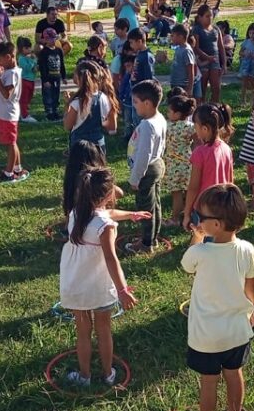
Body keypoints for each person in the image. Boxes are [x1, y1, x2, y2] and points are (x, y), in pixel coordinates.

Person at [60, 167, 146, 387]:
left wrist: (130, 215)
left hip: (76, 282)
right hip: (98, 284)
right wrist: (123, 290)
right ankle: (108, 374)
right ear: (108, 195)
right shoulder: (105, 226)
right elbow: (111, 259)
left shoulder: (76, 213)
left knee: (83, 331)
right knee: (103, 330)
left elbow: (107, 213)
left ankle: (85, 376)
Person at [182, 183, 254, 411]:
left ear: (215, 225)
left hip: (206, 336)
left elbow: (186, 265)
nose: (198, 221)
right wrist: (251, 309)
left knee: (209, 382)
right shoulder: (247, 249)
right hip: (237, 331)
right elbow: (251, 287)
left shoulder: (200, 252)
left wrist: (196, 238)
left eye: (201, 217)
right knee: (234, 375)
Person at [124, 80, 167, 254]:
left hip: (147, 170)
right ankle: (151, 238)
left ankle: (146, 244)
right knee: (154, 204)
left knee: (145, 208)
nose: (134, 106)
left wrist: (135, 179)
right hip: (157, 164)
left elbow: (144, 155)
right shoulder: (158, 117)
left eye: (136, 102)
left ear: (147, 103)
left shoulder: (148, 125)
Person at [182, 103, 235, 232]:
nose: (195, 129)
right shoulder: (227, 149)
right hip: (221, 208)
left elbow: (193, 187)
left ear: (205, 129)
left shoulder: (199, 153)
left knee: (201, 244)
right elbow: (230, 182)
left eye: (196, 126)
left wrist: (187, 214)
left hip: (203, 210)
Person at [0, 42, 28, 184]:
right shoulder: (10, 71)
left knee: (10, 143)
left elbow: (7, 94)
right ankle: (17, 168)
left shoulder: (11, 74)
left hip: (7, 113)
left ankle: (9, 172)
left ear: (8, 57)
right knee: (11, 141)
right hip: (4, 112)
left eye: (0, 60)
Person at [65, 60, 118, 155]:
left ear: (78, 78)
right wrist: (99, 123)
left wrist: (67, 106)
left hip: (79, 147)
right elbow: (112, 127)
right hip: (98, 146)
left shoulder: (76, 102)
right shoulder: (104, 98)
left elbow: (68, 125)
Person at [163, 90, 196, 228]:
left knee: (176, 193)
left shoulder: (166, 126)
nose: (167, 113)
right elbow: (197, 141)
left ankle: (175, 218)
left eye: (169, 111)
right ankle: (192, 216)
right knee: (189, 191)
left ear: (177, 114)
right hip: (188, 162)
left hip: (172, 163)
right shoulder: (191, 127)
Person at [192, 5, 227, 103]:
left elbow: (221, 47)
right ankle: (202, 108)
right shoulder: (197, 29)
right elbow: (196, 47)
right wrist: (207, 57)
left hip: (215, 61)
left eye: (211, 16)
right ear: (200, 17)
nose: (210, 18)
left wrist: (224, 64)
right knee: (202, 88)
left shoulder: (216, 29)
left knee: (216, 88)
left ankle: (214, 105)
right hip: (203, 61)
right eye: (207, 16)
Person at [38, 28, 67, 121]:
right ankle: (49, 112)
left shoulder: (59, 50)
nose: (53, 40)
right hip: (48, 77)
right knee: (48, 94)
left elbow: (62, 64)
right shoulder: (44, 52)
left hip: (57, 76)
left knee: (56, 94)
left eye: (54, 38)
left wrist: (64, 76)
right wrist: (45, 80)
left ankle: (55, 110)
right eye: (50, 39)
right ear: (45, 40)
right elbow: (42, 67)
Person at [170, 24, 199, 101]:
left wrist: (189, 88)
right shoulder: (179, 48)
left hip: (183, 85)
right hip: (175, 83)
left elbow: (191, 71)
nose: (171, 38)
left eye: (173, 36)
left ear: (180, 36)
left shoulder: (186, 50)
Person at [238, 23, 254, 104]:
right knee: (244, 83)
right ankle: (243, 100)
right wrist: (245, 54)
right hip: (246, 64)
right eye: (250, 33)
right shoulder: (246, 42)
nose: (252, 35)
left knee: (253, 84)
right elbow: (240, 52)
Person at [15, 37, 38, 123]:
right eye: (26, 48)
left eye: (29, 47)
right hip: (24, 80)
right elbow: (27, 68)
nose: (29, 50)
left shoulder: (30, 57)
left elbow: (35, 65)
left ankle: (25, 111)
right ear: (21, 49)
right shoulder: (22, 59)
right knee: (24, 98)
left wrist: (34, 60)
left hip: (31, 80)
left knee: (29, 96)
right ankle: (24, 115)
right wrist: (31, 60)